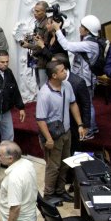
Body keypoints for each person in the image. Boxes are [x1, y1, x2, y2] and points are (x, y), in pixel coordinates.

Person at [36, 61, 86, 201]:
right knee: (53, 167)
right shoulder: (44, 94)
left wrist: (80, 124)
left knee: (64, 164)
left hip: (66, 132)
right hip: (52, 136)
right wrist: (49, 139)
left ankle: (60, 190)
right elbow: (40, 120)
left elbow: (73, 104)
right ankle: (49, 195)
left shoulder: (67, 85)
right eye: (62, 70)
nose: (66, 72)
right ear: (54, 75)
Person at [53, 14, 100, 139]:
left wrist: (57, 30)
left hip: (86, 80)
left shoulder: (89, 44)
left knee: (87, 104)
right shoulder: (88, 42)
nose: (79, 28)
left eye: (82, 26)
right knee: (86, 103)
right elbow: (74, 49)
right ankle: (92, 127)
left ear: (87, 29)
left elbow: (67, 46)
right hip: (84, 78)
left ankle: (89, 129)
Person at [51, 53, 91, 153]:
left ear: (63, 66)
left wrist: (85, 125)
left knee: (74, 151)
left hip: (74, 124)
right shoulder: (53, 79)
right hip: (59, 125)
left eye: (53, 63)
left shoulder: (78, 82)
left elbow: (86, 104)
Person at [20, 1, 50, 87]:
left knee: (44, 85)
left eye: (37, 11)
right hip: (36, 58)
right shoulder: (38, 23)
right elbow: (37, 38)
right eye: (34, 10)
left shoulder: (46, 25)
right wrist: (29, 38)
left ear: (45, 12)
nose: (35, 13)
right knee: (38, 83)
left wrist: (28, 45)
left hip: (43, 61)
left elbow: (43, 45)